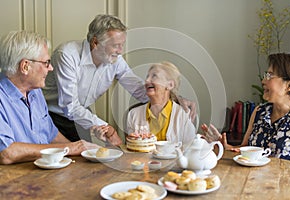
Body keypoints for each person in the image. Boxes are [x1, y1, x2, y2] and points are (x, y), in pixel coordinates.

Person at [42, 14, 196, 145]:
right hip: (52, 117)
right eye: (115, 45)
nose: (120, 51)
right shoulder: (67, 55)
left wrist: (176, 99)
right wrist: (108, 128)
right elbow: (70, 106)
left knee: (82, 165)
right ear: (95, 42)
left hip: (81, 116)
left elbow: (138, 90)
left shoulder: (115, 60)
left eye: (122, 45)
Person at [0, 30, 99, 164]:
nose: (51, 68)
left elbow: (52, 135)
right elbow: (6, 153)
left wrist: (83, 151)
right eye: (46, 63)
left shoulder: (35, 91)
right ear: (25, 66)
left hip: (42, 172)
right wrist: (69, 148)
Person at [201, 53, 290, 162]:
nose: (263, 81)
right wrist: (223, 146)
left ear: (289, 86)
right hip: (252, 178)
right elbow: (245, 149)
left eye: (270, 76)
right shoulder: (259, 111)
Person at [126, 62, 196, 148]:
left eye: (154, 76)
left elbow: (190, 149)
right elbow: (133, 150)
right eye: (147, 76)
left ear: (170, 85)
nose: (147, 80)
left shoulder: (183, 115)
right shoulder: (133, 115)